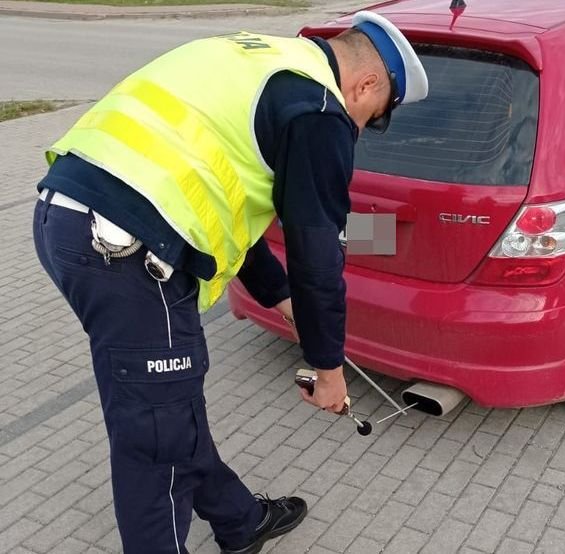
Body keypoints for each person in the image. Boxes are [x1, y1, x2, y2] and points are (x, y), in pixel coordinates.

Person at [32, 10, 428, 554]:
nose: (359, 129)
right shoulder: (318, 112)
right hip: (125, 253)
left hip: (69, 220)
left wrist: (279, 297)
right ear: (366, 83)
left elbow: (223, 208)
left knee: (162, 406)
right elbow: (317, 258)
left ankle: (240, 521)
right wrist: (328, 368)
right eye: (373, 116)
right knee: (154, 439)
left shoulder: (263, 58)